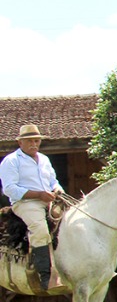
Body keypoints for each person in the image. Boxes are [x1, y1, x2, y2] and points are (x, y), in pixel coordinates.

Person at [0, 124, 64, 290]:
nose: (34, 144)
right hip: (25, 203)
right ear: (20, 142)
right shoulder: (11, 161)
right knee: (40, 229)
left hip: (49, 199)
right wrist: (38, 194)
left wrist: (57, 189)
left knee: (73, 221)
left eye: (36, 140)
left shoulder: (44, 159)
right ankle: (46, 277)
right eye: (29, 141)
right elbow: (9, 189)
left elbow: (53, 181)